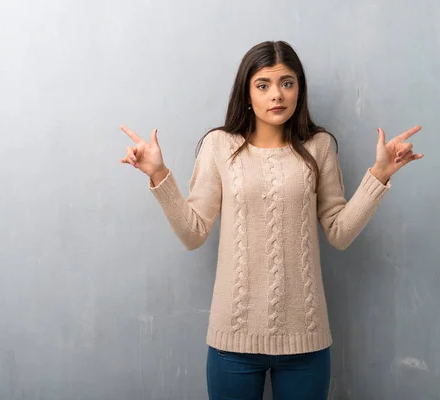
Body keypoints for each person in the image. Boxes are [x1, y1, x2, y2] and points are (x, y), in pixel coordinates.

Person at [119, 40, 423, 400]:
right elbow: (193, 232)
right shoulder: (219, 146)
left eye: (287, 83)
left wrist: (379, 174)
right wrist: (158, 174)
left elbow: (339, 233)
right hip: (232, 338)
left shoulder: (319, 146)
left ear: (299, 90)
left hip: (305, 339)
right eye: (263, 85)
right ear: (247, 93)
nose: (277, 94)